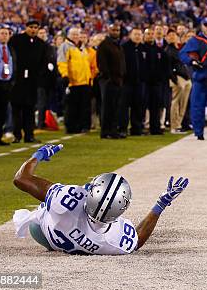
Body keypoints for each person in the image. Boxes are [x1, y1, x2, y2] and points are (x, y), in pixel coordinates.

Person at [12, 143, 189, 254]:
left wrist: (39, 155)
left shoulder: (68, 200)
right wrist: (160, 205)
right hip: (68, 240)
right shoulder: (116, 241)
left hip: (42, 233)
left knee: (49, 205)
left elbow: (21, 179)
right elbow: (138, 238)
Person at [9, 20, 45, 143]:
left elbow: (42, 63)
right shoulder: (16, 40)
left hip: (32, 82)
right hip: (17, 81)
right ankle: (17, 135)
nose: (33, 30)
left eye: (36, 27)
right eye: (31, 27)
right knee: (16, 109)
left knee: (29, 110)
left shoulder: (40, 43)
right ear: (26, 28)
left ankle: (29, 135)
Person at [57, 27, 91, 134]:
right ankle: (71, 126)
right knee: (72, 106)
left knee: (84, 106)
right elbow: (62, 62)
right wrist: (65, 75)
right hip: (73, 81)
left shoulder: (82, 47)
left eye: (77, 34)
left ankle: (83, 126)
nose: (76, 37)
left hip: (85, 81)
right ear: (69, 35)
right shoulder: (65, 46)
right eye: (73, 34)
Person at [96, 24, 126, 139]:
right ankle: (105, 131)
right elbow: (102, 64)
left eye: (117, 30)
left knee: (115, 107)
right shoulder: (104, 45)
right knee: (107, 107)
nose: (116, 32)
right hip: (108, 81)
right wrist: (108, 78)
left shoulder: (118, 45)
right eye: (113, 30)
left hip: (118, 80)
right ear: (108, 30)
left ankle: (113, 130)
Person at [119, 28, 146, 136]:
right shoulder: (124, 47)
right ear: (130, 35)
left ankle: (137, 129)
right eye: (135, 34)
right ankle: (122, 129)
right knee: (124, 107)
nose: (138, 36)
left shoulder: (143, 48)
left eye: (139, 34)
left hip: (140, 82)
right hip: (127, 82)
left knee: (138, 106)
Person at [144, 26, 170, 135]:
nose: (150, 36)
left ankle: (156, 128)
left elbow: (165, 65)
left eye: (151, 34)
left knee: (156, 106)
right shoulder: (141, 49)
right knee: (143, 105)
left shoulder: (159, 50)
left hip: (156, 83)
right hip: (144, 82)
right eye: (148, 34)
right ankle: (143, 126)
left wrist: (161, 79)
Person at [165, 29, 192, 134]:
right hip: (177, 78)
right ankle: (174, 126)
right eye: (169, 35)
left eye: (174, 35)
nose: (172, 37)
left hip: (186, 78)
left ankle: (179, 124)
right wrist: (174, 79)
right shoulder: (168, 50)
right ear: (166, 38)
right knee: (175, 102)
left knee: (183, 103)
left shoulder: (179, 49)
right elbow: (167, 67)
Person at [36, 27, 57, 129]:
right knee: (40, 102)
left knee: (45, 102)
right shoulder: (34, 46)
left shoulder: (50, 47)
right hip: (37, 79)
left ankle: (42, 121)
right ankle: (39, 123)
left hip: (48, 80)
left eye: (44, 33)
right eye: (40, 33)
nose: (43, 34)